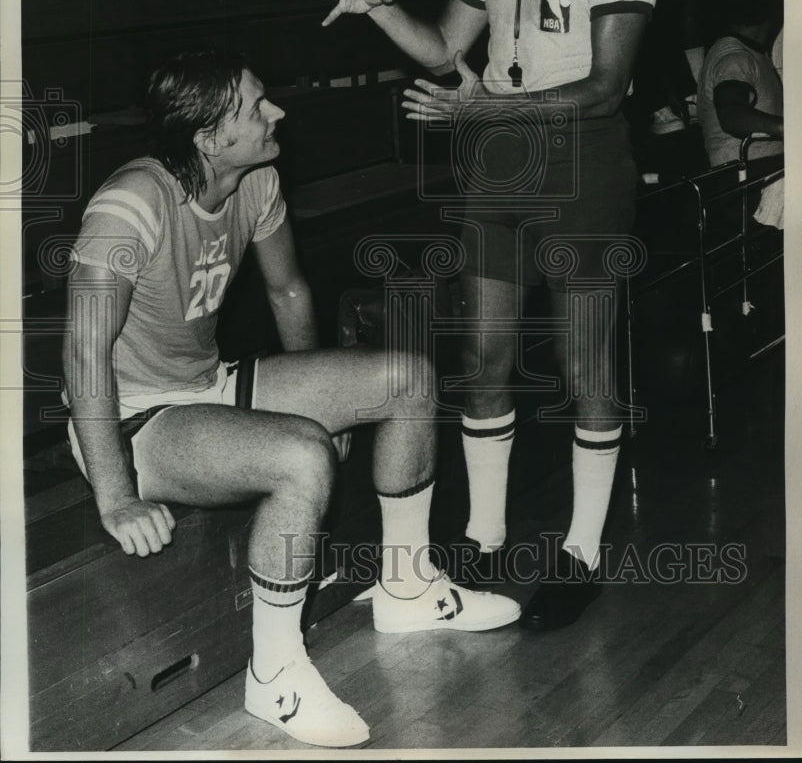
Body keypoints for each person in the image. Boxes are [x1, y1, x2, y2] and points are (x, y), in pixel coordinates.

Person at [61, 50, 520, 750]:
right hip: (131, 418)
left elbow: (289, 291)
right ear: (209, 138)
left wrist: (319, 401)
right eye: (255, 107)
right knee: (299, 458)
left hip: (207, 382)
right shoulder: (129, 208)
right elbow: (82, 353)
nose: (276, 112)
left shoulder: (257, 180)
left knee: (408, 379)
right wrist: (117, 495)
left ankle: (407, 587)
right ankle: (273, 673)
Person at [321, 0, 656, 630]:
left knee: (585, 369)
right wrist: (381, 7)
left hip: (582, 162)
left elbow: (608, 88)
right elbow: (444, 48)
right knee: (484, 358)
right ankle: (481, 537)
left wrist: (484, 109)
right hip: (497, 165)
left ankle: (580, 549)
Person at [698, 0, 783, 168]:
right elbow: (731, 114)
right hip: (748, 182)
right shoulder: (735, 57)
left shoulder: (750, 53)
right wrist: (785, 127)